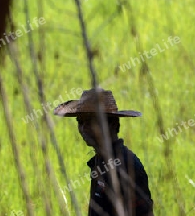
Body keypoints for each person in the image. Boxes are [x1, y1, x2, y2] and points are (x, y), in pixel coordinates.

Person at [54, 88, 154, 216]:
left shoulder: (127, 167)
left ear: (112, 124)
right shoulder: (100, 161)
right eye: (80, 122)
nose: (83, 128)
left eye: (91, 121)